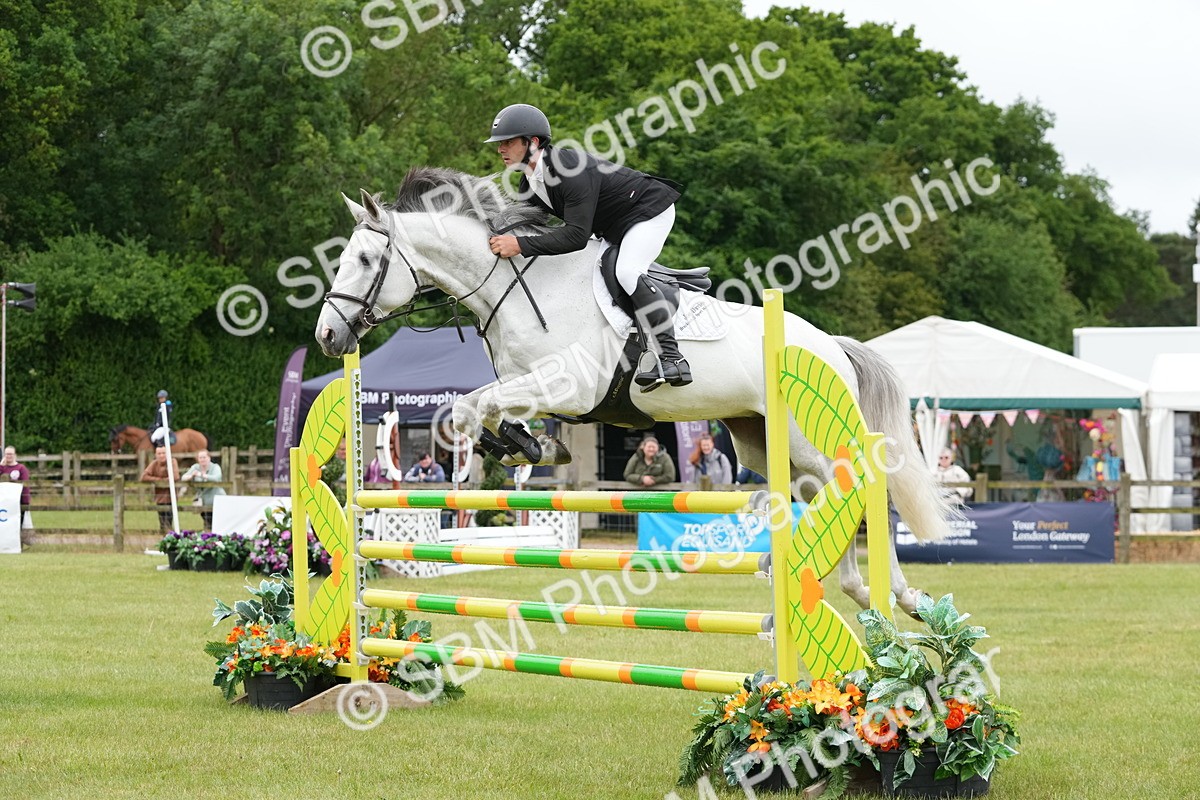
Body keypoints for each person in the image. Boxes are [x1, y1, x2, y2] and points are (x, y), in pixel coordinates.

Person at [484, 103, 691, 390]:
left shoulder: (568, 169)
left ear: (532, 142)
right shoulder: (528, 183)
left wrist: (518, 244)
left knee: (628, 272)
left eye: (507, 142)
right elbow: (532, 229)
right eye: (500, 144)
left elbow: (576, 237)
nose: (500, 150)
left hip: (647, 212)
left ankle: (673, 358)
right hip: (611, 225)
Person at [181, 449, 225, 531]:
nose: (202, 459)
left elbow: (217, 478)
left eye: (204, 457)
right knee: (206, 520)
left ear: (209, 458)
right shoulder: (195, 467)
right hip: (202, 500)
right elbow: (183, 477)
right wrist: (191, 476)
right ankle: (208, 536)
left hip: (215, 499)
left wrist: (201, 475)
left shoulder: (215, 467)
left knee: (215, 522)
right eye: (200, 457)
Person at [141, 446, 180, 533]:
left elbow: (175, 476)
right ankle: (164, 538)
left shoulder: (172, 461)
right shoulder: (154, 463)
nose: (161, 455)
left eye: (163, 453)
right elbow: (144, 476)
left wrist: (163, 481)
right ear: (156, 454)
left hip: (171, 497)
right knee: (162, 521)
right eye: (159, 453)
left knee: (169, 520)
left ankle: (170, 536)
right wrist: (159, 480)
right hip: (159, 497)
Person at [1, 446, 32, 545]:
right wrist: (1, 465)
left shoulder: (21, 468)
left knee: (17, 524)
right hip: (4, 502)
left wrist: (26, 501)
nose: (8, 456)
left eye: (10, 454)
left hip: (17, 502)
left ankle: (17, 545)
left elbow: (26, 485)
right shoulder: (2, 468)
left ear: (15, 455)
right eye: (6, 454)